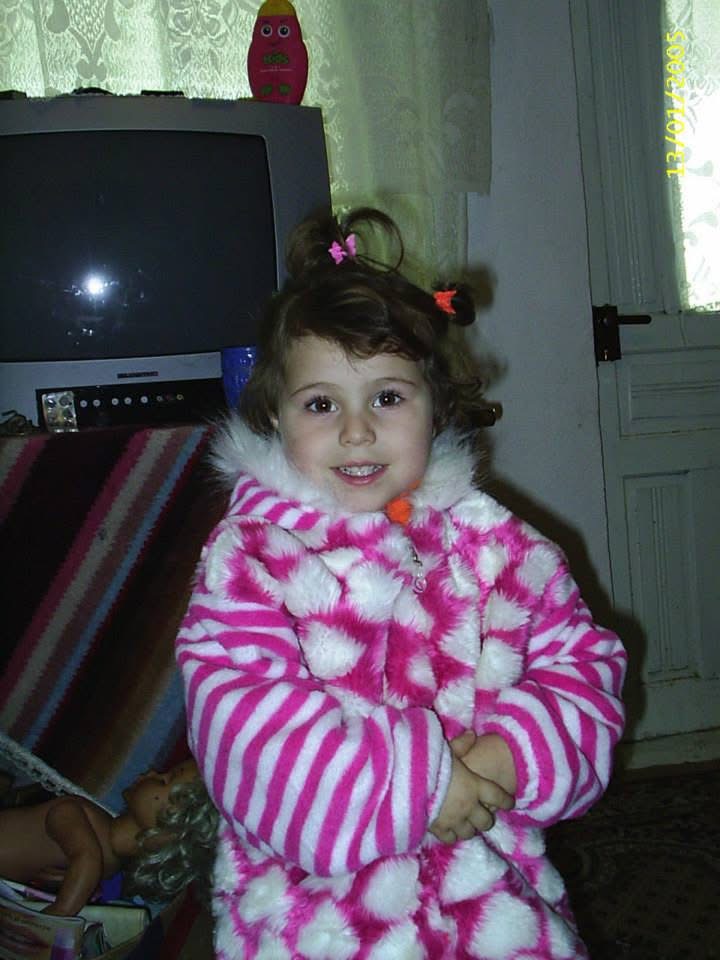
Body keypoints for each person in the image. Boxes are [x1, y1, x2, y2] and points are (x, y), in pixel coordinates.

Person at [175, 207, 627, 959]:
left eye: (387, 397)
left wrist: (512, 753)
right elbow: (242, 729)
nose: (356, 431)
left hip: (492, 911)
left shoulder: (497, 547)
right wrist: (418, 789)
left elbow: (586, 669)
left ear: (435, 406)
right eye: (321, 404)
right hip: (318, 924)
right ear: (275, 417)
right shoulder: (253, 558)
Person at [0, 758, 218, 916]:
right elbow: (67, 826)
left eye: (164, 780)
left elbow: (85, 864)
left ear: (168, 832)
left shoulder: (110, 874)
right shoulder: (86, 816)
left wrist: (72, 885)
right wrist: (62, 911)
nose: (152, 772)